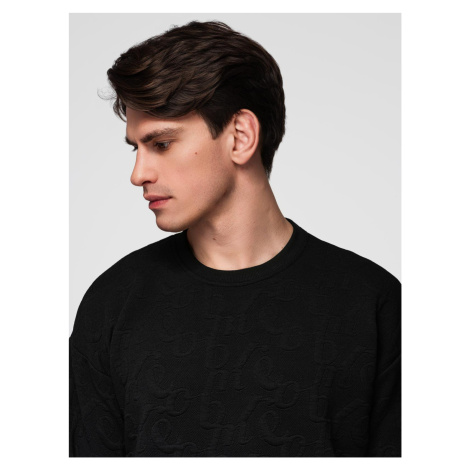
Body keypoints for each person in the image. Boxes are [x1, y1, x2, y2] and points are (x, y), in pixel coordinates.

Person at [69, 20, 401, 457]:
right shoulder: (113, 303)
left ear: (240, 137)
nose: (138, 174)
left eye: (161, 144)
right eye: (137, 148)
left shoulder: (375, 305)